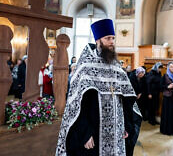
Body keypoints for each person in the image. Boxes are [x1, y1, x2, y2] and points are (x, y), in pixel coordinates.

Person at [56, 19, 142, 156]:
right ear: (98, 41)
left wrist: (126, 125)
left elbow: (126, 100)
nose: (112, 41)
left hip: (116, 133)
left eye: (113, 38)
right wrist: (85, 133)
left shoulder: (117, 68)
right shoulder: (85, 67)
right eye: (108, 38)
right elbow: (76, 105)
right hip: (94, 133)